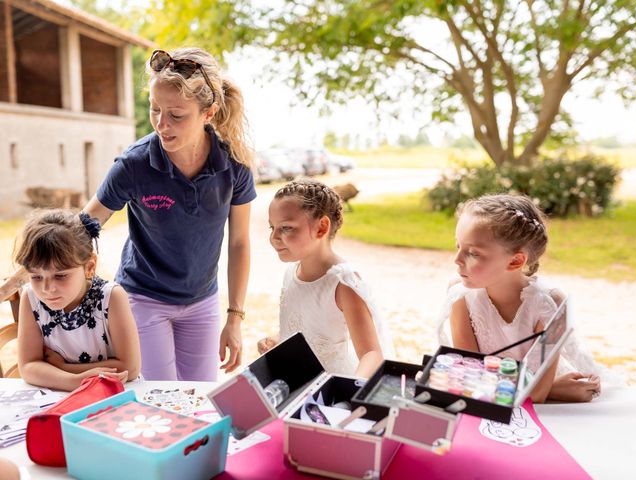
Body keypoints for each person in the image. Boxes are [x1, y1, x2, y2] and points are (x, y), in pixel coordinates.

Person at [1, 48, 256, 382]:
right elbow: (82, 226)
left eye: (176, 115)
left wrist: (234, 318)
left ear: (208, 113)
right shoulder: (134, 165)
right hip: (143, 297)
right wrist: (18, 279)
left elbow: (239, 243)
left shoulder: (233, 164)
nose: (162, 124)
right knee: (155, 395)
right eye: (154, 110)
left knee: (200, 397)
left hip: (201, 301)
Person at [436, 193, 604, 402]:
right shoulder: (460, 295)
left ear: (515, 261)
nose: (457, 259)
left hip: (544, 412)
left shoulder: (549, 304)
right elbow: (471, 377)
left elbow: (536, 394)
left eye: (473, 253)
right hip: (499, 401)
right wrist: (554, 389)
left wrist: (543, 390)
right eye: (458, 246)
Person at [257, 179, 391, 378]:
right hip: (295, 384)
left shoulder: (343, 284)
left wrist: (350, 389)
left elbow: (371, 353)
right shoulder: (291, 274)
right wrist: (279, 341)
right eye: (272, 227)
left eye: (286, 228)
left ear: (321, 228)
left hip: (331, 391)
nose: (274, 237)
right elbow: (307, 329)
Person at [15, 210, 140, 391]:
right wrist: (75, 381)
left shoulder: (111, 297)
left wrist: (64, 368)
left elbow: (130, 368)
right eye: (36, 277)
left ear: (89, 267)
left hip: (114, 395)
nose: (47, 288)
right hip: (58, 397)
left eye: (60, 275)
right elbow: (28, 366)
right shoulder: (31, 298)